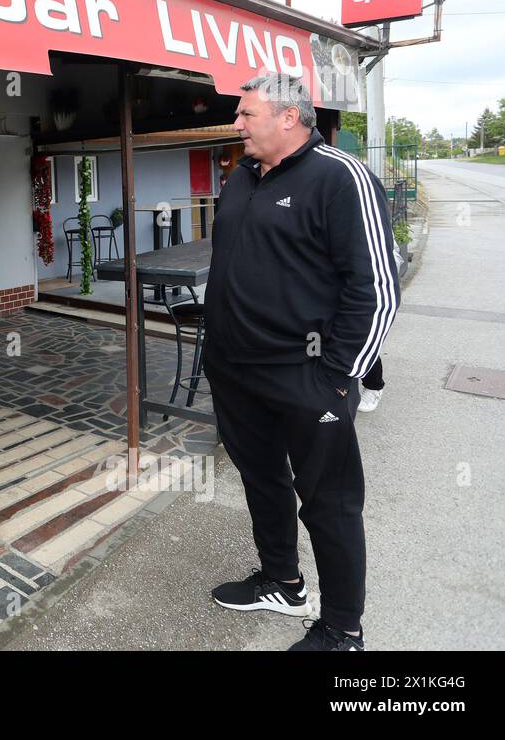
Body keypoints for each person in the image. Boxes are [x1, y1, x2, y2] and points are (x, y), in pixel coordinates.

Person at [202, 73, 399, 651]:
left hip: (308, 377)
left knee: (330, 504)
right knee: (262, 479)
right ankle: (282, 582)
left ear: (289, 117)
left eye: (246, 114)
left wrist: (339, 379)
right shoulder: (240, 178)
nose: (236, 124)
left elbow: (376, 288)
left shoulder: (340, 176)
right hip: (237, 371)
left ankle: (343, 629)